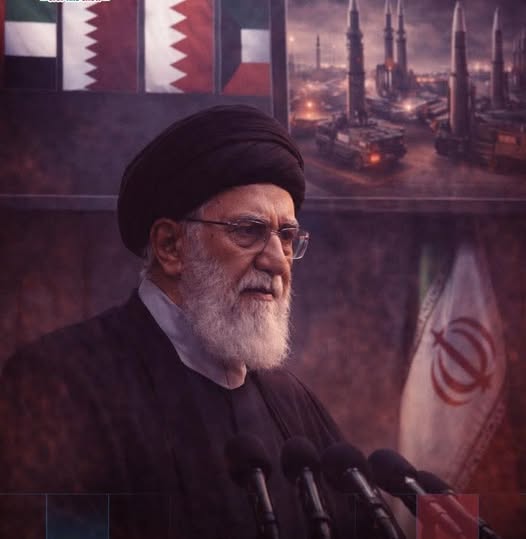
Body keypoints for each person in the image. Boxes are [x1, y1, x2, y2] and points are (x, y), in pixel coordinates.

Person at [0, 105, 375, 538]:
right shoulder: (62, 384)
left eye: (287, 237)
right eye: (248, 230)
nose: (277, 261)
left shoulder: (291, 403)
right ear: (170, 246)